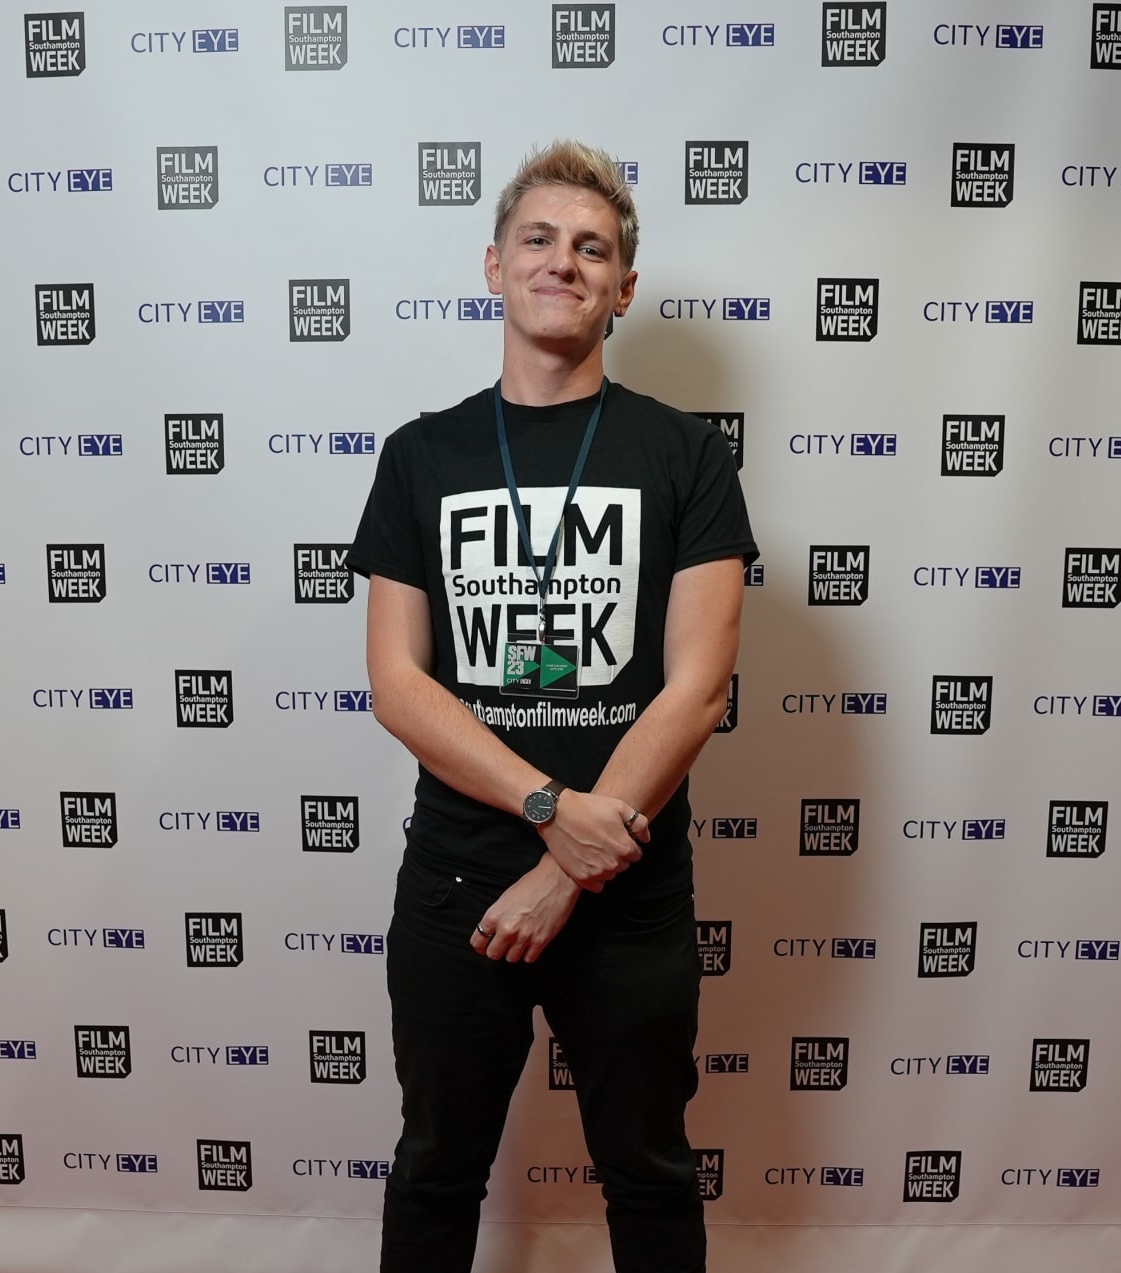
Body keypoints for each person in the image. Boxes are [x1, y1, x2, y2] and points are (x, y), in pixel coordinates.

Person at [347, 139, 757, 1273]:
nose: (561, 261)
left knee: (650, 1173)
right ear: (495, 266)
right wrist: (546, 810)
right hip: (459, 884)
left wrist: (569, 866)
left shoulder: (686, 454)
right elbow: (398, 682)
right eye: (538, 238)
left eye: (592, 247)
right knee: (435, 1168)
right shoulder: (419, 455)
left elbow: (697, 688)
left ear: (622, 287)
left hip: (627, 888)